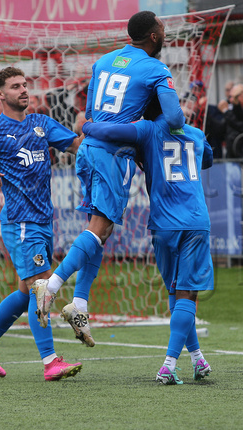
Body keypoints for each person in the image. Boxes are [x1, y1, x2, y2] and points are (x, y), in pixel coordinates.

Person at [30, 10, 185, 347]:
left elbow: (90, 112)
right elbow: (174, 118)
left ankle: (80, 304)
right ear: (154, 36)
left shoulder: (103, 61)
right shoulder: (156, 68)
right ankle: (52, 286)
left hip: (87, 150)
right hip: (111, 156)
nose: (165, 30)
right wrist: (146, 124)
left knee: (100, 229)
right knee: (99, 228)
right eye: (162, 27)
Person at [0, 67, 83, 381]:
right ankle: (51, 362)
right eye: (15, 86)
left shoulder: (42, 123)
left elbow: (77, 145)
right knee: (42, 286)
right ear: (0, 95)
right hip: (20, 221)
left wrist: (93, 129)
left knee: (28, 292)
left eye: (25, 85)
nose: (24, 90)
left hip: (43, 220)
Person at [82, 97, 214, 385]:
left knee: (176, 292)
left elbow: (111, 134)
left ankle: (197, 358)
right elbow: (208, 159)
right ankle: (168, 365)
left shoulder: (146, 131)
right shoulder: (197, 134)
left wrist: (87, 125)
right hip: (194, 221)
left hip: (163, 225)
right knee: (188, 294)